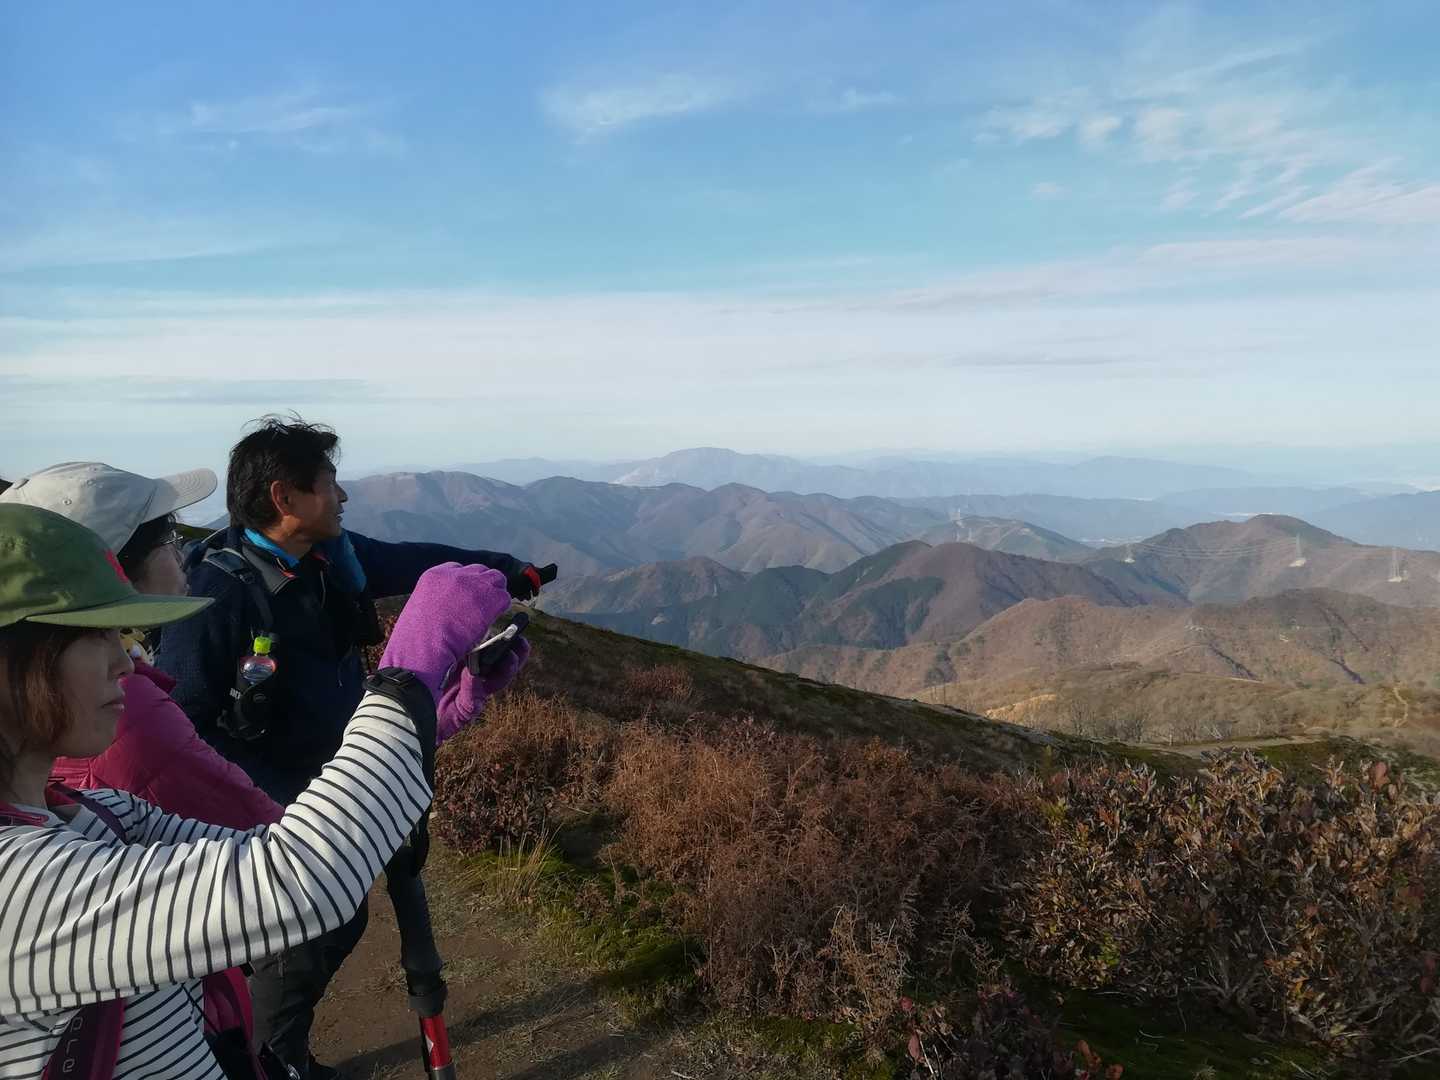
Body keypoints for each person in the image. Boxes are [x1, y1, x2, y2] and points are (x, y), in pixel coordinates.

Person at [0, 502, 506, 1078]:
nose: (126, 662)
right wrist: (406, 676)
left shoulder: (93, 814)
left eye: (122, 634)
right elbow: (299, 876)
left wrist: (433, 717)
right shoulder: (14, 888)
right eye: (95, 635)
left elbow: (278, 840)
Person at [157, 416, 551, 1077]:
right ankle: (264, 1058)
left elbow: (413, 561)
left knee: (334, 921)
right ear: (285, 497)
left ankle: (278, 1046)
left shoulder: (324, 557)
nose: (342, 496)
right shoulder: (218, 592)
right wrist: (278, 808)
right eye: (329, 483)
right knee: (317, 926)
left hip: (334, 774)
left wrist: (508, 570)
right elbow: (184, 725)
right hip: (276, 799)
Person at [0, 462, 284, 827]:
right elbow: (281, 848)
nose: (182, 555)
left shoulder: (87, 807)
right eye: (170, 539)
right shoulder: (130, 709)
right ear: (116, 562)